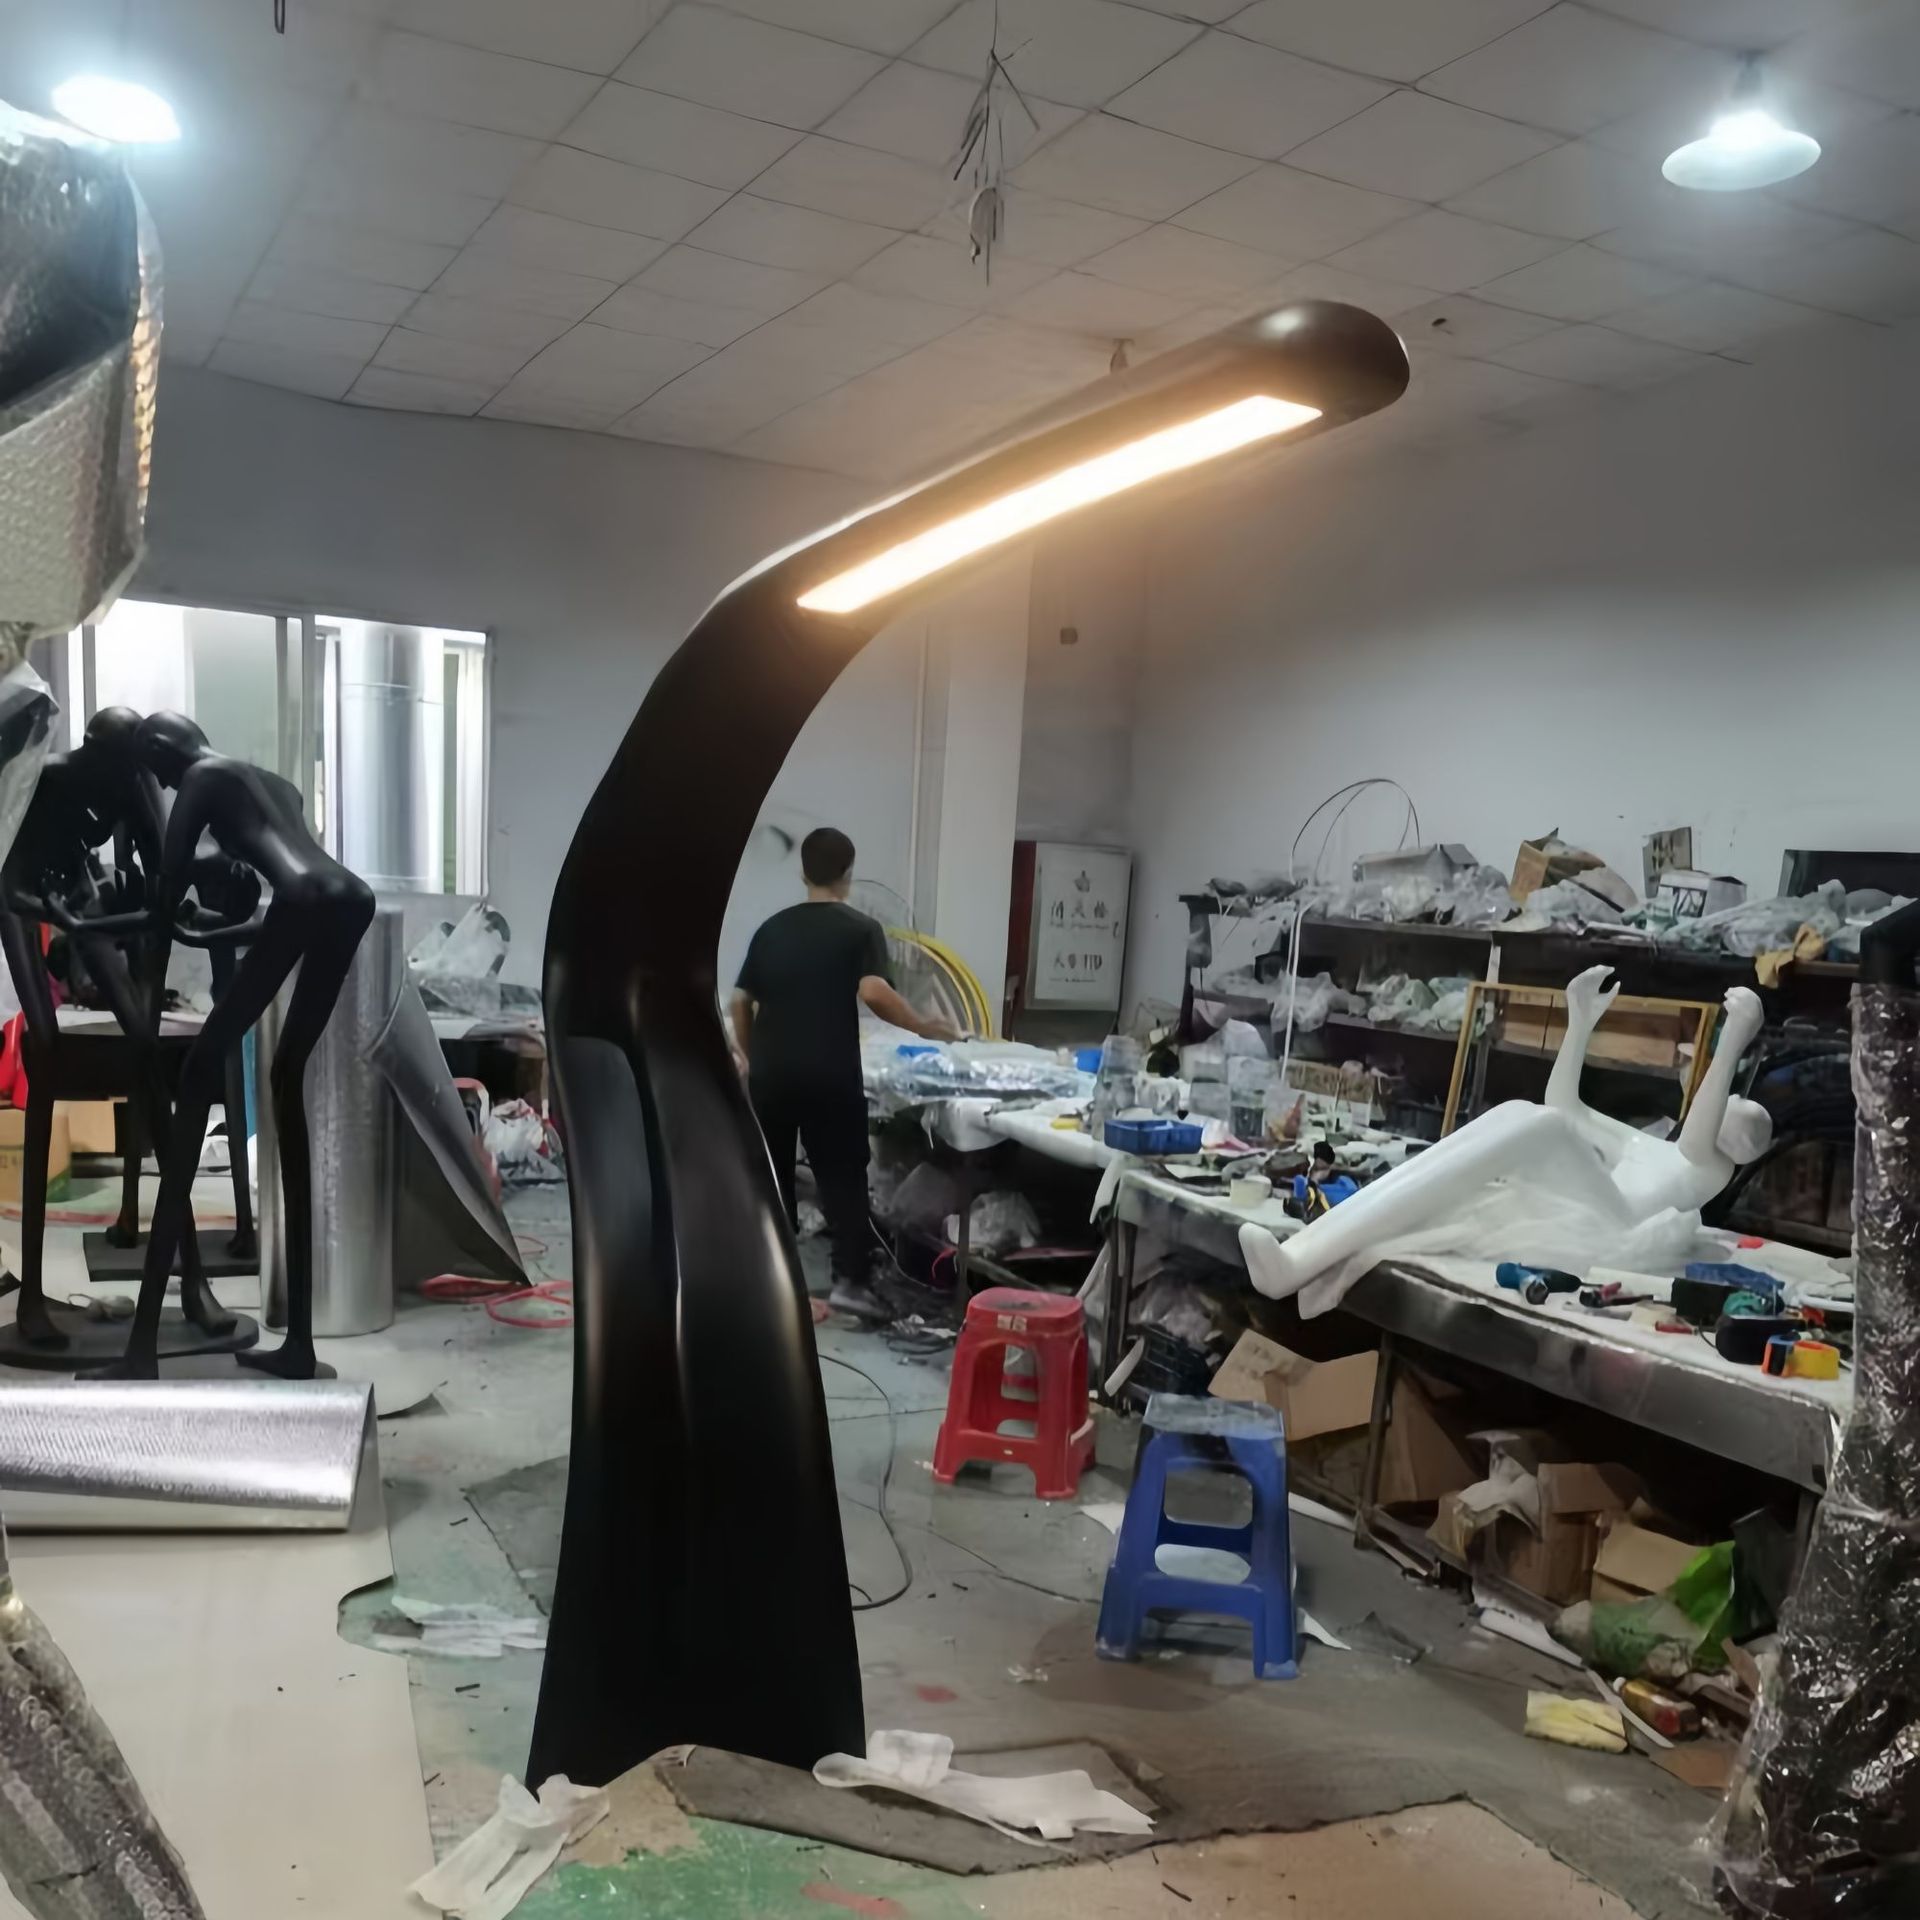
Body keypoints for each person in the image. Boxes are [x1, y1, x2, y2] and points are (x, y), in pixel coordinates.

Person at [731, 827, 957, 1320]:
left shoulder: (771, 929)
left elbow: (739, 1002)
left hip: (771, 1075)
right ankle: (850, 1283)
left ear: (803, 872)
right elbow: (874, 992)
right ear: (849, 873)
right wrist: (925, 1026)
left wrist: (751, 1056)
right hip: (829, 1073)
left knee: (771, 1175)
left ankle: (770, 1282)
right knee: (841, 1175)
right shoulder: (860, 929)